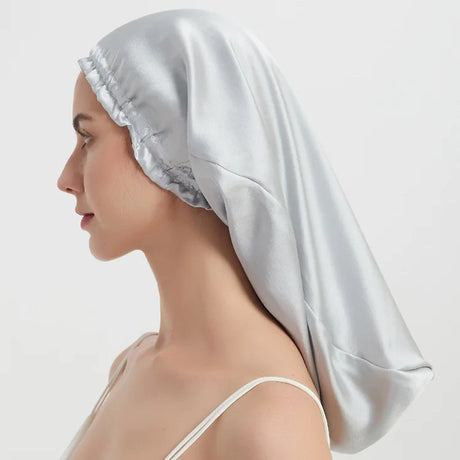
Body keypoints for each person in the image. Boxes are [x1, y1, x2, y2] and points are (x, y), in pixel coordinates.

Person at [57, 8, 433, 459]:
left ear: (167, 141)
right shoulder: (131, 365)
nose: (65, 178)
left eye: (87, 138)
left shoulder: (270, 420)